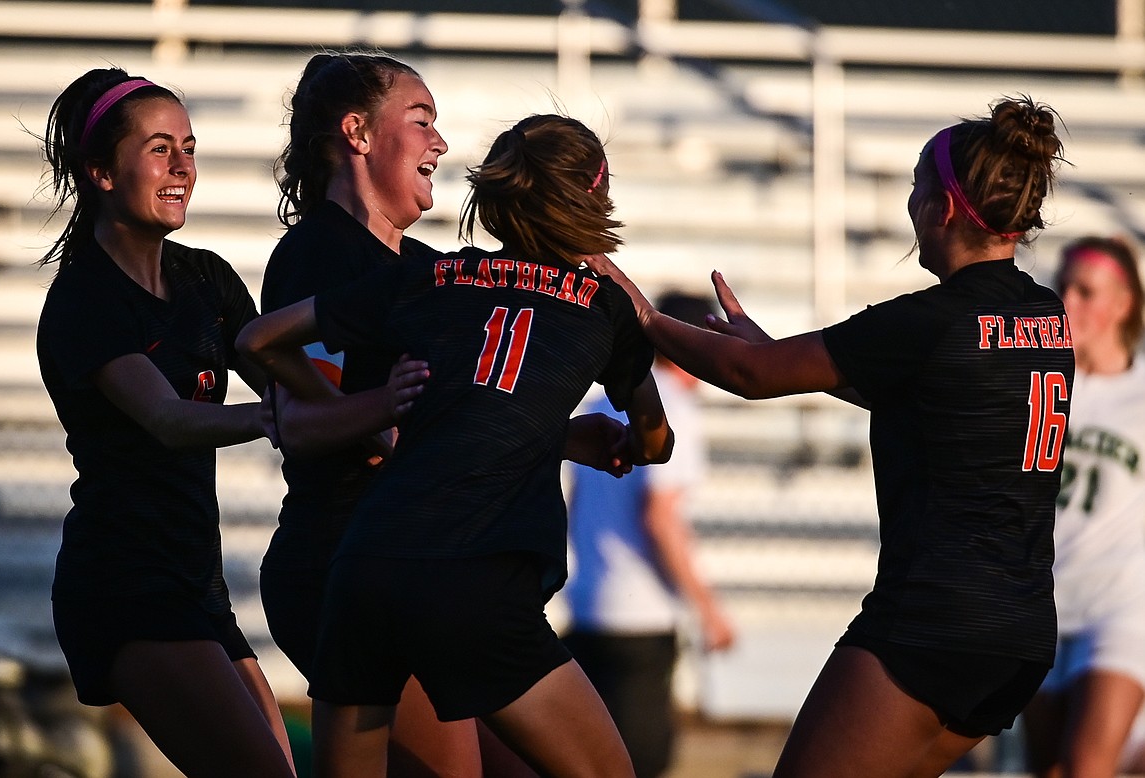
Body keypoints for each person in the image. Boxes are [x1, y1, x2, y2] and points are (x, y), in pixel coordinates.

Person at [589, 96, 1072, 778]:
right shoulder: (1045, 313)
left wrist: (636, 311)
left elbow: (746, 375)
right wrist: (781, 353)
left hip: (932, 620)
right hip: (1019, 634)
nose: (909, 203)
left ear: (945, 209)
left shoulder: (928, 320)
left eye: (916, 187)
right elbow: (930, 394)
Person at [238, 113, 673, 778]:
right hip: (473, 575)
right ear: (594, 192)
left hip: (362, 567)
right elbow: (653, 441)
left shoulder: (432, 277)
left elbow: (257, 339)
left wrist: (377, 413)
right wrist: (617, 290)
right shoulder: (602, 306)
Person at [34, 68, 300, 777]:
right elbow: (169, 420)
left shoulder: (205, 279)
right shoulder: (85, 299)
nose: (182, 165)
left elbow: (299, 382)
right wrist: (276, 417)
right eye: (158, 148)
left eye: (188, 146)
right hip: (125, 583)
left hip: (196, 582)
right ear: (100, 172)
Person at [563, 291, 736, 778]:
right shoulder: (673, 406)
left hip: (589, 603)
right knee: (639, 761)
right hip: (640, 618)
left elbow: (578, 498)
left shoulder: (605, 398)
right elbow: (660, 515)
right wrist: (708, 610)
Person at [1020, 235, 1145, 778]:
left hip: (1119, 609)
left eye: (1087, 291)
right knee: (1049, 770)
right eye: (1063, 287)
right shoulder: (1037, 382)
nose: (1068, 302)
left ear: (1123, 304)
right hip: (1042, 607)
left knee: (1086, 767)